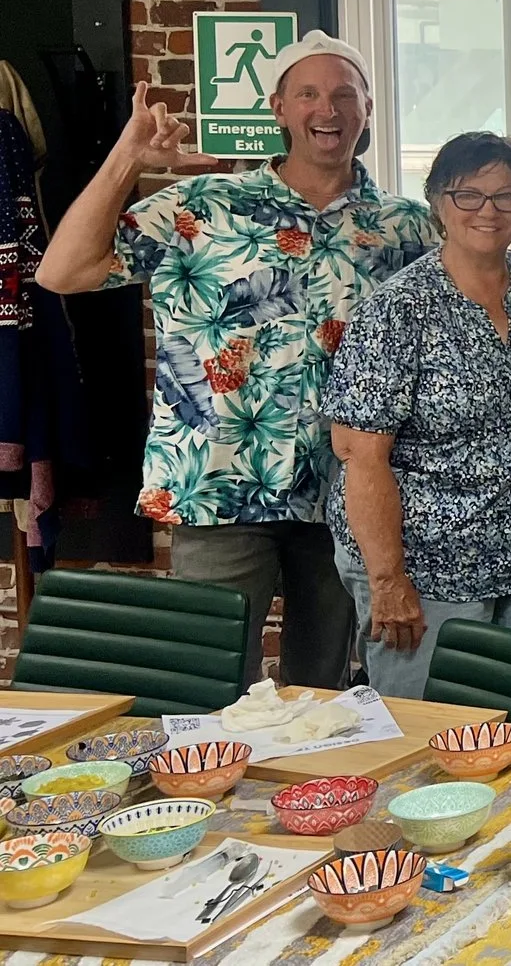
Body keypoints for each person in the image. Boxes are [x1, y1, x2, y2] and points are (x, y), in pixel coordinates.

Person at [36, 35, 448, 689]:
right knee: (208, 687)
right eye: (308, 93)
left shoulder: (406, 227)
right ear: (278, 108)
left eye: (345, 94)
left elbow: (502, 284)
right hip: (219, 489)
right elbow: (63, 272)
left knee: (325, 695)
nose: (328, 108)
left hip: (347, 499)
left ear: (368, 107)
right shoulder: (202, 208)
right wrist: (127, 159)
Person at [321, 131, 511, 697]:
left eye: (506, 196)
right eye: (469, 195)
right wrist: (388, 580)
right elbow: (361, 456)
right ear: (439, 202)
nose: (487, 211)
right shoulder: (397, 309)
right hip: (427, 567)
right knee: (429, 742)